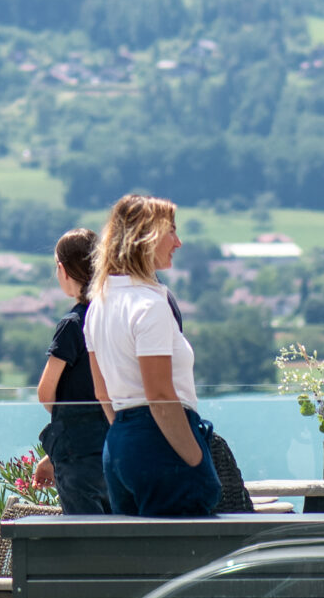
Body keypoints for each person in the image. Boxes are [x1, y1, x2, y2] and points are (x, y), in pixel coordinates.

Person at [85, 194, 221, 518]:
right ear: (145, 237)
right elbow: (159, 395)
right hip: (160, 441)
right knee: (184, 559)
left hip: (119, 444)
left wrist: (129, 438)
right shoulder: (149, 305)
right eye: (170, 231)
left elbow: (102, 392)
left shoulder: (98, 306)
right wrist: (196, 459)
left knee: (138, 562)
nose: (178, 241)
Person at [31, 229, 109, 513]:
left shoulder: (72, 324)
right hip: (115, 447)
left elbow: (45, 392)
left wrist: (67, 435)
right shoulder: (112, 317)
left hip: (78, 457)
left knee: (85, 543)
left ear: (63, 269)